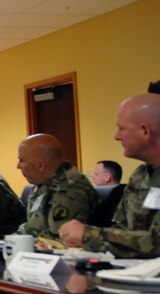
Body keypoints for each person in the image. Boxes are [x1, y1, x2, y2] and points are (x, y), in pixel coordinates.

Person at [61, 94, 160, 257]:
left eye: (122, 128)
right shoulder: (140, 176)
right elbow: (120, 229)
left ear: (145, 130)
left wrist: (88, 235)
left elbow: (156, 242)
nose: (117, 136)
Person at [17, 134, 98, 241]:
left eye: (21, 160)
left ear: (40, 165)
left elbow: (56, 238)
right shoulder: (44, 184)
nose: (18, 166)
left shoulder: (70, 187)